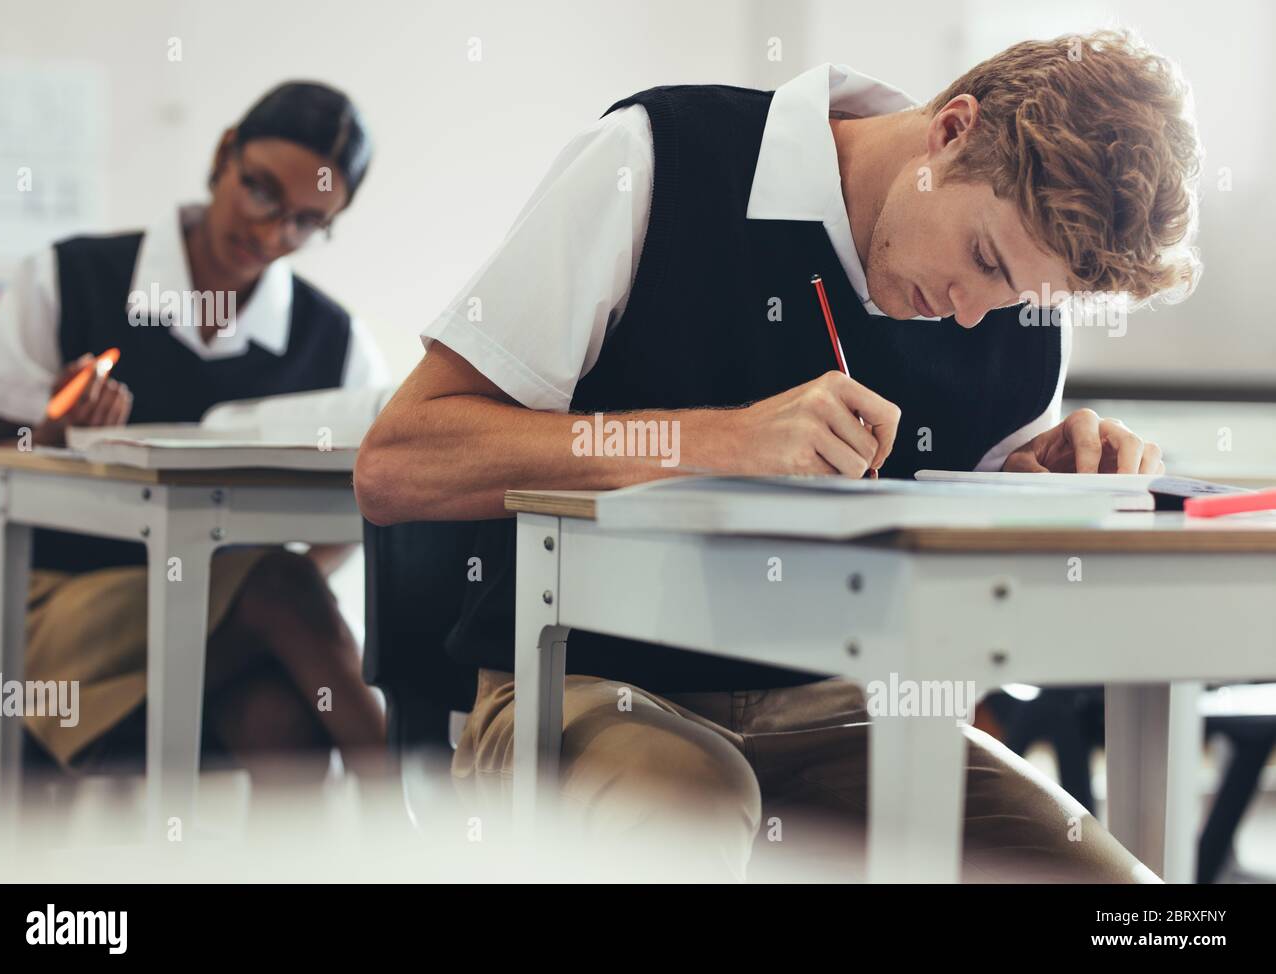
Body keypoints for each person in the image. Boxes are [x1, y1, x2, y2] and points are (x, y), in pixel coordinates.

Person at [356, 30, 1201, 880]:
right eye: (983, 258)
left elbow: (962, 566)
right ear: (952, 131)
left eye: (1016, 292)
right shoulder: (662, 157)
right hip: (576, 687)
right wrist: (715, 441)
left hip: (849, 715)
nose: (972, 313)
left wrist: (1042, 484)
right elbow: (397, 462)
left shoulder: (1008, 308)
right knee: (693, 813)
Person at [0, 81, 388, 780]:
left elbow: (367, 493)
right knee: (279, 583)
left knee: (287, 724)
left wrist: (246, 591)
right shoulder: (69, 278)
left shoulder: (333, 338)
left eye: (305, 222)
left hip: (223, 618)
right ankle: (411, 820)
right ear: (224, 152)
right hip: (56, 610)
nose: (271, 234)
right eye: (261, 193)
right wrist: (56, 428)